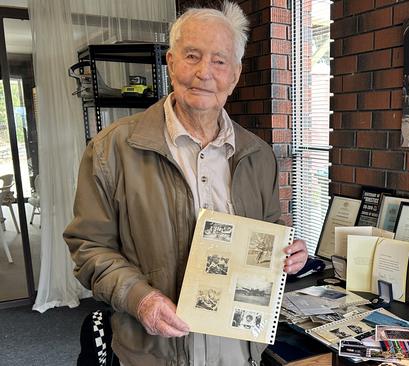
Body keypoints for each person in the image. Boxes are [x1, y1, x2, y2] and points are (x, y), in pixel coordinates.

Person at [64, 3, 308, 365]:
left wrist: (288, 254)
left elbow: (269, 227)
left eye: (219, 60)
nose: (203, 72)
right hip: (153, 352)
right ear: (171, 62)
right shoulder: (111, 149)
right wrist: (139, 298)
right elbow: (88, 248)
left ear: (236, 74)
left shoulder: (258, 155)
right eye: (192, 56)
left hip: (238, 351)